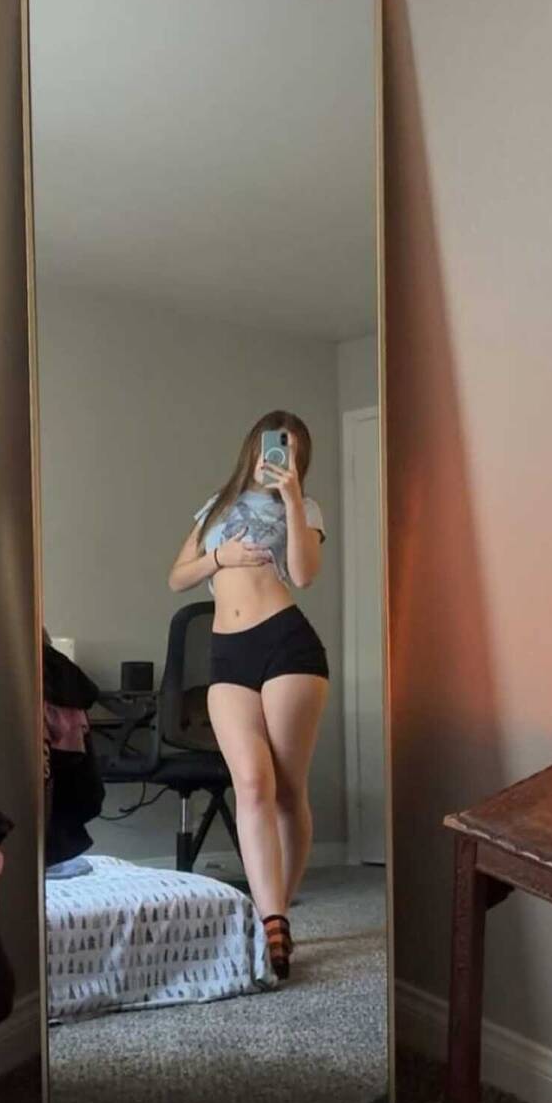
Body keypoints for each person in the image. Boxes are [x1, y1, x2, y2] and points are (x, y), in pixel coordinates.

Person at [168, 410, 329, 979]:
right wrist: (222, 557)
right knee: (253, 785)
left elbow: (304, 576)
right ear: (253, 449)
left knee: (287, 790)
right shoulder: (216, 506)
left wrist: (292, 500)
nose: (278, 456)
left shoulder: (305, 508)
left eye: (291, 449)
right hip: (227, 656)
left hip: (287, 646)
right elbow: (177, 577)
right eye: (272, 445)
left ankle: (274, 918)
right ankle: (272, 918)